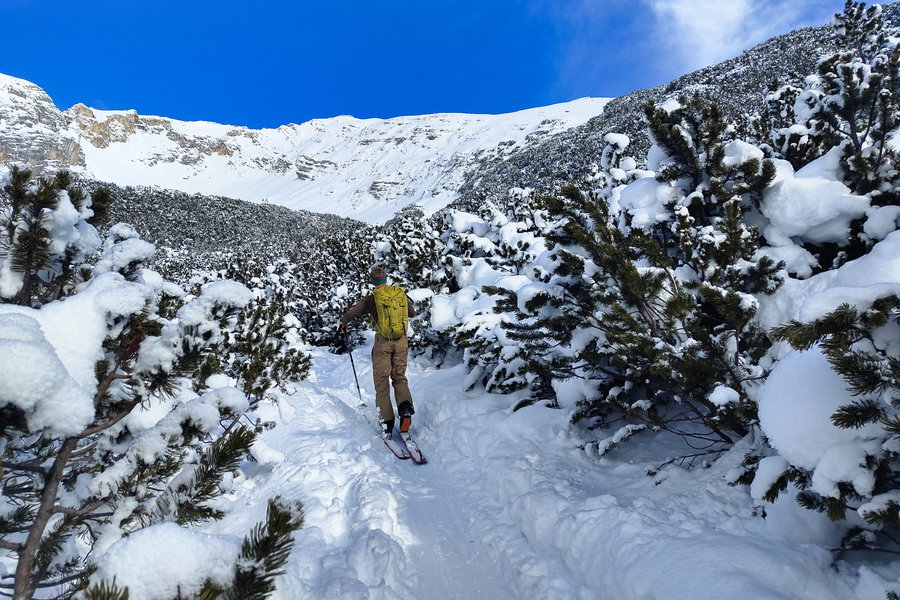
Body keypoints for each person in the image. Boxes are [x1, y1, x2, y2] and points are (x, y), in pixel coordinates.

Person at [339, 266, 416, 436]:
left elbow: (352, 313)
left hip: (383, 343)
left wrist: (344, 321)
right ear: (386, 279)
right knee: (399, 377)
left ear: (372, 281)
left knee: (381, 382)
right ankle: (405, 409)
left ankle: (386, 422)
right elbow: (412, 313)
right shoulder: (400, 294)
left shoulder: (372, 298)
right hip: (401, 342)